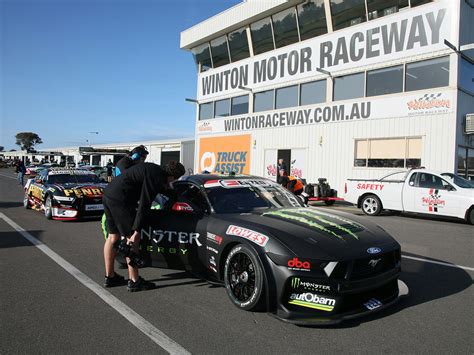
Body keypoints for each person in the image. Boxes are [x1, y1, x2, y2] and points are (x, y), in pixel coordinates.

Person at [102, 161, 185, 292]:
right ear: (173, 177)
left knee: (113, 236)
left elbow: (159, 188)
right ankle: (134, 281)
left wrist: (173, 194)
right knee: (131, 239)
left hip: (109, 194)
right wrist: (136, 230)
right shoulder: (156, 176)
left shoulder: (154, 169)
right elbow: (144, 204)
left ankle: (110, 277)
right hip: (121, 199)